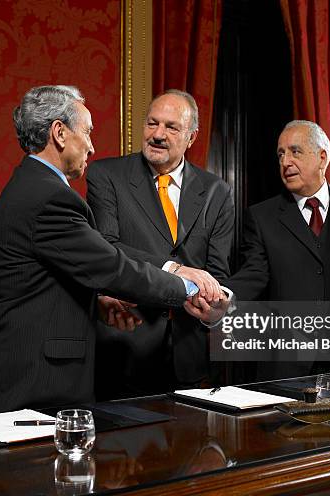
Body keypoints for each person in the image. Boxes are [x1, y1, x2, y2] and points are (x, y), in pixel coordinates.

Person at [0, 86, 217, 415]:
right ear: (60, 133)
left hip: (23, 381)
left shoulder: (31, 185)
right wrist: (187, 283)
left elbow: (46, 282)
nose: (92, 146)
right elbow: (112, 267)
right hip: (26, 385)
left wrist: (98, 302)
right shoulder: (49, 198)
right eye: (88, 132)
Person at [186, 120, 330, 379]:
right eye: (281, 154)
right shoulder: (262, 217)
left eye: (295, 151)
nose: (285, 162)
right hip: (287, 363)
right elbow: (253, 276)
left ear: (322, 157)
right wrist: (220, 298)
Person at [86, 89, 234, 398]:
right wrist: (174, 271)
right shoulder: (106, 175)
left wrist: (215, 307)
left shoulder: (216, 191)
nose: (158, 134)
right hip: (125, 345)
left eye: (171, 127)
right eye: (152, 124)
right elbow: (107, 246)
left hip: (189, 354)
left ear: (191, 137)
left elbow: (217, 272)